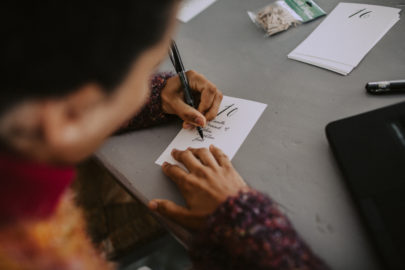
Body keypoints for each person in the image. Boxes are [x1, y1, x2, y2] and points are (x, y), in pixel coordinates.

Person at [0, 1, 328, 269]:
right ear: (69, 116)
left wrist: (156, 96)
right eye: (148, 71)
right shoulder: (40, 258)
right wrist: (243, 228)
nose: (150, 84)